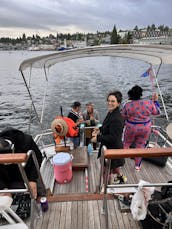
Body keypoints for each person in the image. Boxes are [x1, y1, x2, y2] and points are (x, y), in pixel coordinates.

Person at [121, 85, 161, 171]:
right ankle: (137, 166)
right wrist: (156, 101)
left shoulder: (128, 105)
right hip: (145, 128)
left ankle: (121, 160)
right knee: (140, 146)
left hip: (131, 128)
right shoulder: (149, 103)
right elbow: (157, 112)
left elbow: (123, 115)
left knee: (126, 143)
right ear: (141, 94)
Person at [91, 91, 126, 184]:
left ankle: (106, 188)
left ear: (118, 103)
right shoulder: (111, 112)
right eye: (109, 101)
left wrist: (97, 138)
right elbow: (107, 126)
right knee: (114, 166)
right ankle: (121, 177)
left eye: (113, 101)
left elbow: (113, 138)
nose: (110, 103)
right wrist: (100, 129)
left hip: (113, 148)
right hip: (111, 147)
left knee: (105, 170)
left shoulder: (117, 119)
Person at [0, 127, 43, 199]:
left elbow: (38, 159)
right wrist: (3, 188)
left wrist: (32, 180)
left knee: (37, 192)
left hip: (27, 174)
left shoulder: (27, 141)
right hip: (6, 178)